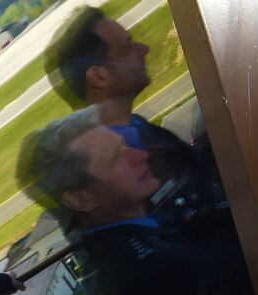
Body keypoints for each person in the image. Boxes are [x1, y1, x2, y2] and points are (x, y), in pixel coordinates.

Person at [49, 5, 202, 192]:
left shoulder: (134, 128)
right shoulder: (126, 166)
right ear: (99, 77)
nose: (144, 49)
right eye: (128, 46)